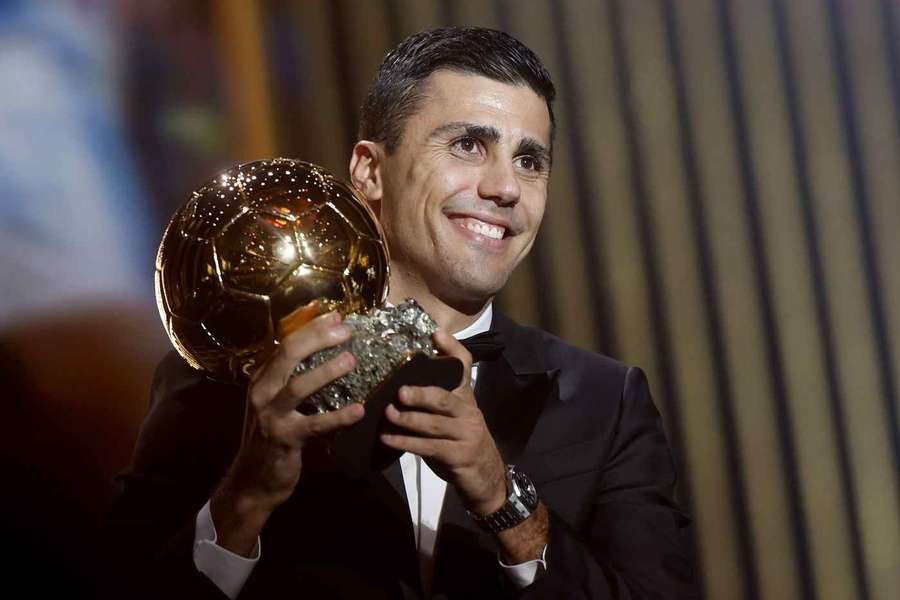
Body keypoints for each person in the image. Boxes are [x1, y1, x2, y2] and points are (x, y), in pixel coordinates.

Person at [106, 26, 697, 599]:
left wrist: (504, 501)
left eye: (529, 161)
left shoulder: (606, 401)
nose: (506, 188)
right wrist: (247, 496)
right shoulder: (233, 378)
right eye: (469, 145)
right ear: (369, 171)